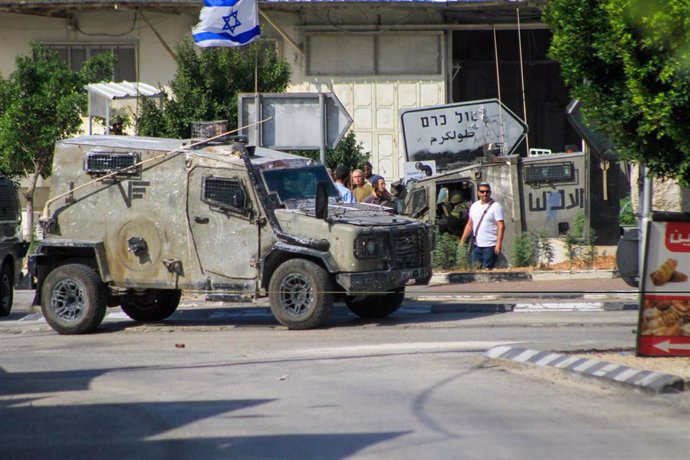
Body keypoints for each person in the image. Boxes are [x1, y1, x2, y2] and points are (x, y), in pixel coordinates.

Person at [459, 182, 505, 269]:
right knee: (475, 269)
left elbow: (501, 225)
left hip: (490, 245)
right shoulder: (474, 206)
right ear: (478, 193)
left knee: (487, 270)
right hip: (477, 245)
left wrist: (499, 243)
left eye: (487, 192)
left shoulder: (496, 206)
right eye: (482, 191)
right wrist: (462, 241)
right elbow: (470, 224)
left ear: (490, 192)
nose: (485, 194)